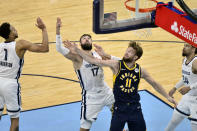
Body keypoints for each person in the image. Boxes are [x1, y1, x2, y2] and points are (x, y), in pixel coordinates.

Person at [64, 40, 177, 131]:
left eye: (130, 52)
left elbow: (155, 84)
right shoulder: (116, 65)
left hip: (135, 108)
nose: (126, 53)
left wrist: (167, 96)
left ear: (135, 57)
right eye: (126, 51)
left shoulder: (140, 70)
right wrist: (78, 50)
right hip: (119, 109)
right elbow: (94, 61)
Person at [55, 17, 114, 131]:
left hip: (106, 91)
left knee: (119, 113)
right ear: (80, 43)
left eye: (89, 38)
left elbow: (114, 63)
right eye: (84, 38)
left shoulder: (97, 55)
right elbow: (59, 48)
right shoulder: (77, 57)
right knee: (85, 128)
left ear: (91, 42)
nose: (87, 39)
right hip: (92, 96)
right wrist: (58, 30)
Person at [0, 17, 49, 131]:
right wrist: (44, 29)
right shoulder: (20, 44)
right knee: (15, 120)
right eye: (13, 29)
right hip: (10, 84)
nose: (15, 29)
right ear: (10, 34)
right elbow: (44, 48)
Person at [165, 43, 197, 131]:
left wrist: (189, 87)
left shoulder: (195, 63)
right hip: (187, 98)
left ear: (193, 49)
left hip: (196, 101)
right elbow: (185, 77)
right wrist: (174, 88)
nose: (184, 47)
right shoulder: (184, 60)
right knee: (172, 122)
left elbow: (190, 85)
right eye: (184, 45)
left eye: (187, 46)